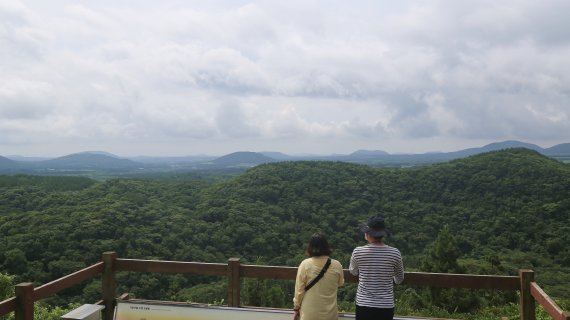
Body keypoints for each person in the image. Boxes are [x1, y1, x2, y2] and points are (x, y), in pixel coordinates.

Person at [349, 215, 404, 320]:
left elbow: (353, 271)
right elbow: (399, 279)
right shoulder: (395, 252)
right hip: (385, 305)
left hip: (363, 304)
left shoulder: (358, 251)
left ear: (368, 234)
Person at [293, 232, 344, 320]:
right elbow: (340, 283)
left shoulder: (305, 264)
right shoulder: (337, 265)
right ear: (326, 246)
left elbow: (299, 291)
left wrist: (296, 307)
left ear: (310, 247)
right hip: (330, 314)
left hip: (309, 314)